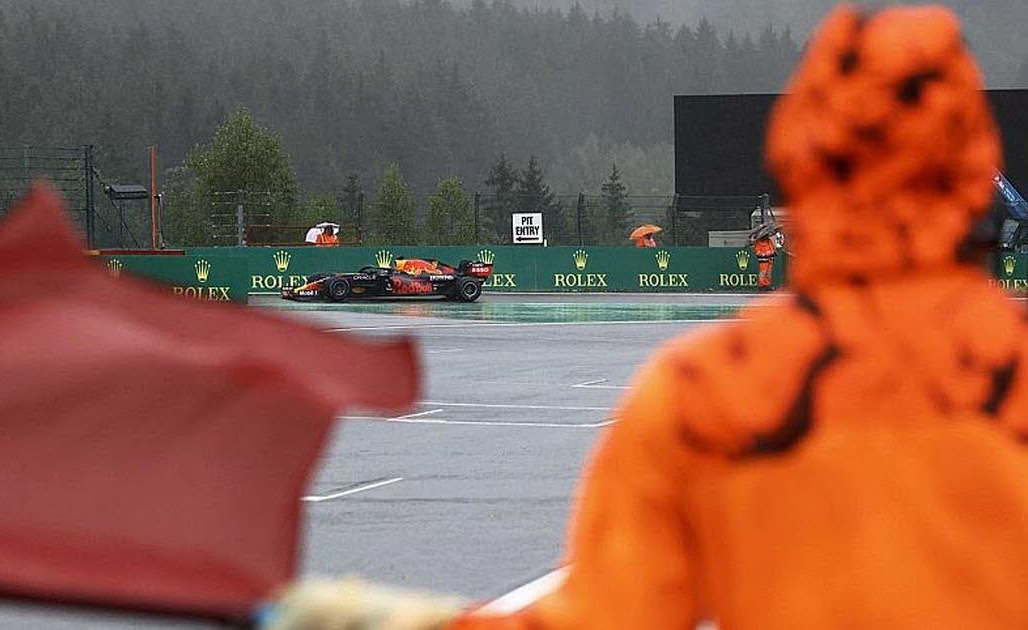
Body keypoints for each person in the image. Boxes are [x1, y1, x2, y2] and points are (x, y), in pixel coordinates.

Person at [268, 5, 1028, 630]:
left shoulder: (707, 392)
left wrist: (380, 618)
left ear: (804, 157)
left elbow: (600, 620)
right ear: (971, 174)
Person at [752, 225, 779, 290]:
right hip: (763, 260)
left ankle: (767, 284)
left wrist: (771, 252)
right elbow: (757, 251)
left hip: (770, 259)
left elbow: (772, 249)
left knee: (768, 273)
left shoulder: (769, 241)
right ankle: (761, 285)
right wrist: (764, 254)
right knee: (763, 273)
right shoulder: (758, 242)